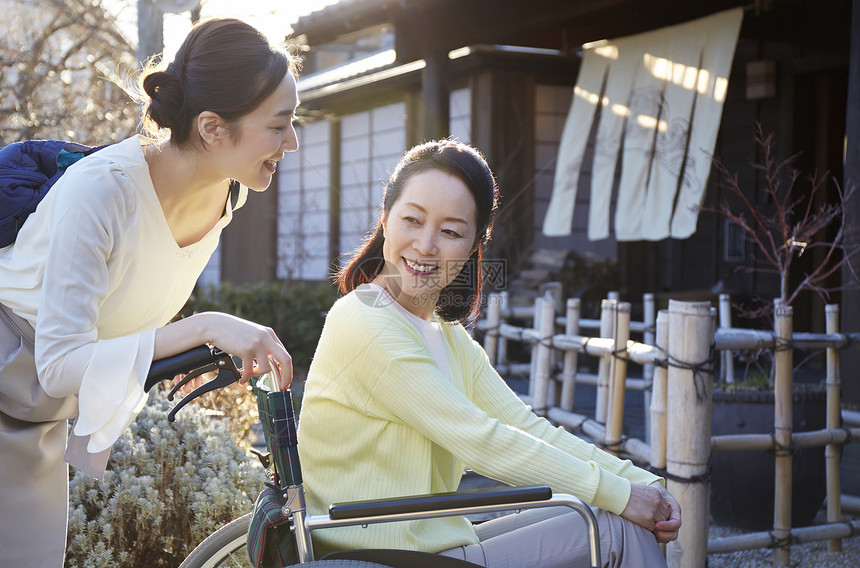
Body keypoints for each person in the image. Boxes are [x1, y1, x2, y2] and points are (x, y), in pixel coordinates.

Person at [297, 140, 681, 567]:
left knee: (609, 515)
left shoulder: (446, 337)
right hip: (379, 556)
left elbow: (528, 428)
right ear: (385, 221)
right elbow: (481, 440)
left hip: (432, 545)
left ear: (474, 246)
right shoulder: (364, 320)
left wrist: (641, 482)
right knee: (612, 527)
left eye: (450, 231)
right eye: (412, 220)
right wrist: (624, 496)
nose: (426, 245)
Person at [0, 18, 296, 567]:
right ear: (212, 128)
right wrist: (208, 326)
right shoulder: (102, 192)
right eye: (279, 126)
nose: (292, 142)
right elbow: (59, 363)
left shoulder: (227, 198)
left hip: (39, 408)